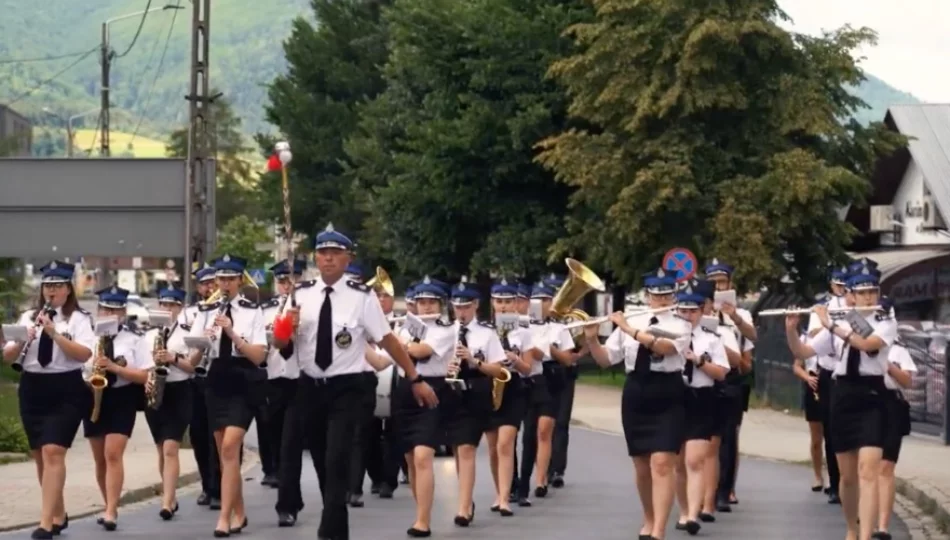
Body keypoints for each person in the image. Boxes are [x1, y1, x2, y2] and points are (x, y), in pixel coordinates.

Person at [271, 224, 437, 539]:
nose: (329, 259)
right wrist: (285, 328)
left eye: (335, 253)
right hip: (310, 387)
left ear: (348, 258)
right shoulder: (299, 295)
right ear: (315, 258)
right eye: (323, 253)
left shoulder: (362, 297)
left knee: (337, 459)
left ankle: (331, 531)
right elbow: (282, 348)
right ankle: (333, 513)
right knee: (321, 460)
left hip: (348, 389)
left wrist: (414, 377)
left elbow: (387, 340)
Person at [785, 264, 897, 540]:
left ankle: (867, 535)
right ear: (851, 296)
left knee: (868, 469)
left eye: (873, 291)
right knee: (848, 477)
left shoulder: (885, 320)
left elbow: (867, 344)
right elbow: (804, 350)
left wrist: (832, 325)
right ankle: (851, 528)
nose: (869, 298)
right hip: (842, 394)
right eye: (862, 293)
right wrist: (791, 329)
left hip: (872, 395)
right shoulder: (840, 320)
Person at [586, 268, 691, 540]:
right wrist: (591, 338)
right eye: (656, 296)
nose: (661, 300)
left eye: (666, 295)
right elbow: (605, 359)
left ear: (673, 295)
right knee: (642, 466)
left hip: (668, 391)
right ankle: (649, 516)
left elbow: (665, 348)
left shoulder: (681, 323)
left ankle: (659, 531)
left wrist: (628, 329)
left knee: (662, 462)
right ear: (647, 296)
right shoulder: (633, 319)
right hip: (637, 392)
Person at [1, 261, 94, 540]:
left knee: (54, 450)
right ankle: (57, 512)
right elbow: (7, 357)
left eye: (58, 286)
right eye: (48, 286)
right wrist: (20, 341)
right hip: (33, 388)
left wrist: (54, 333)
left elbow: (84, 354)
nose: (52, 291)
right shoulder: (28, 316)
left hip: (66, 388)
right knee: (41, 455)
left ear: (68, 289)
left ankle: (44, 523)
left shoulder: (78, 318)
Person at [186, 254, 269, 536]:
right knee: (226, 456)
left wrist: (232, 334)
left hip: (243, 380)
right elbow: (193, 360)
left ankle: (223, 517)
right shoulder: (205, 311)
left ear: (239, 281)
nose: (224, 284)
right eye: (220, 279)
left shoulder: (251, 311)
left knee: (231, 447)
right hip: (216, 381)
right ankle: (240, 512)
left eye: (230, 279)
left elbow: (259, 356)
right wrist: (204, 341)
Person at [83, 286, 154, 531]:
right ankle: (107, 504)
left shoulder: (134, 338)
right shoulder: (88, 335)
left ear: (123, 312)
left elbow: (144, 375)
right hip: (93, 396)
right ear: (99, 309)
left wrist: (116, 368)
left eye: (116, 309)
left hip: (122, 397)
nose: (111, 314)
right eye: (106, 309)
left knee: (113, 454)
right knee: (100, 458)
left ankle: (112, 511)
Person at [445, 277, 507, 526]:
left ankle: (463, 507)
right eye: (457, 307)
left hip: (477, 392)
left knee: (468, 448)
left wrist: (473, 360)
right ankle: (466, 500)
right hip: (452, 393)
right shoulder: (444, 331)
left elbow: (499, 371)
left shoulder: (486, 333)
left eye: (465, 307)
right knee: (459, 450)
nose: (461, 312)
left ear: (476, 305)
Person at [671, 283, 729, 536]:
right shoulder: (667, 336)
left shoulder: (711, 339)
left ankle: (694, 514)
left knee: (695, 460)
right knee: (678, 463)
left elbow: (721, 373)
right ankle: (684, 511)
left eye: (692, 311)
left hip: (701, 398)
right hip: (673, 399)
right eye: (683, 311)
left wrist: (699, 360)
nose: (687, 316)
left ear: (702, 310)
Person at [143, 285, 196, 520]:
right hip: (156, 389)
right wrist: (146, 378)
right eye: (164, 304)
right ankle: (170, 496)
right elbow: (142, 365)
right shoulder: (148, 334)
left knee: (171, 448)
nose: (167, 308)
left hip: (180, 390)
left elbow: (192, 367)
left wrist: (173, 358)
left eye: (172, 305)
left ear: (180, 307)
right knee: (160, 449)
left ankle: (166, 502)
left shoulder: (187, 332)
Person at [485, 279, 532, 516]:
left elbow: (528, 368)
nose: (503, 306)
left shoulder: (524, 332)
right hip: (489, 386)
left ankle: (505, 497)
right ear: (493, 303)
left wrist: (515, 358)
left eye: (508, 301)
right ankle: (498, 492)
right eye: (499, 301)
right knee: (493, 447)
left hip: (513, 387)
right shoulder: (484, 330)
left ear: (515, 303)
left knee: (506, 443)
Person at [256, 259, 304, 489]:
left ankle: (287, 472)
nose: (287, 286)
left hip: (298, 373)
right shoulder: (265, 309)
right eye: (282, 281)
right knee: (269, 424)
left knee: (293, 430)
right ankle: (271, 468)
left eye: (291, 281)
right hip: (272, 372)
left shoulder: (306, 307)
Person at [186, 264, 223, 509]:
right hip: (195, 377)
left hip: (217, 376)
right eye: (204, 284)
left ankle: (220, 487)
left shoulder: (226, 309)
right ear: (198, 287)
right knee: (199, 435)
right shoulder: (191, 313)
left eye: (213, 283)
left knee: (217, 435)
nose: (209, 288)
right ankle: (206, 486)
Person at [875, 335, 916, 540]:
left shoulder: (898, 349)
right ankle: (866, 514)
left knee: (886, 466)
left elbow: (908, 381)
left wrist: (887, 364)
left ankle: (883, 526)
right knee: (868, 465)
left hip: (892, 406)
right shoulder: (858, 345)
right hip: (868, 404)